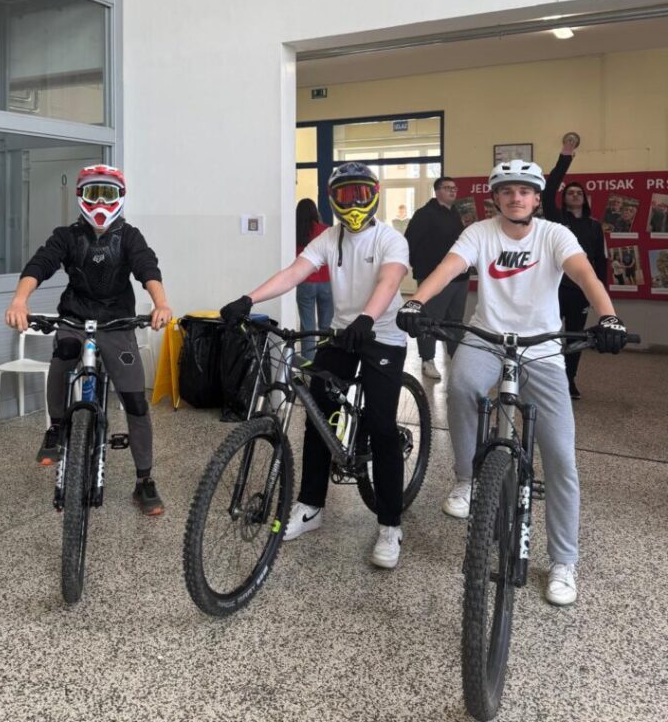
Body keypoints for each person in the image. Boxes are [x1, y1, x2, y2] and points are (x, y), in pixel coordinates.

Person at [397, 159, 628, 606]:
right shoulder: (479, 233)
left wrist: (609, 316)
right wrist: (416, 301)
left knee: (560, 456)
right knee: (461, 386)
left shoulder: (554, 234)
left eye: (524, 191)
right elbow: (449, 267)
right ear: (496, 199)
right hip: (488, 338)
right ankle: (467, 479)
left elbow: (585, 274)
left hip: (541, 348)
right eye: (507, 191)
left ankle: (563, 561)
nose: (516, 197)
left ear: (537, 198)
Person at [220, 162, 409, 569]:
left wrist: (367, 319)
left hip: (383, 335)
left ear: (374, 195)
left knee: (381, 426)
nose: (353, 203)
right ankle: (310, 505)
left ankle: (390, 525)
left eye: (360, 193)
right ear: (332, 200)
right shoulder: (328, 238)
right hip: (342, 334)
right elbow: (293, 273)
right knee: (318, 414)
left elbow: (390, 281)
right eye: (345, 195)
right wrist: (249, 300)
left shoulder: (390, 239)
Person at [5, 164, 172, 516]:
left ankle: (144, 480)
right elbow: (40, 264)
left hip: (117, 324)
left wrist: (161, 304)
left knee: (135, 402)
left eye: (107, 194)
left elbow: (147, 268)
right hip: (75, 319)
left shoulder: (129, 236)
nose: (100, 203)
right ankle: (56, 427)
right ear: (80, 196)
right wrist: (20, 300)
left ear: (120, 197)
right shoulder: (67, 236)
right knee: (64, 352)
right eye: (93, 193)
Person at [542, 140, 607, 399]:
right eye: (570, 192)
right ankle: (545, 378)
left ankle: (569, 380)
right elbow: (548, 193)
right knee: (546, 335)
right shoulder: (557, 220)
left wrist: (599, 294)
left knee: (576, 339)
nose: (575, 195)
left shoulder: (594, 226)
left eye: (579, 192)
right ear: (565, 198)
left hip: (581, 292)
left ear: (585, 199)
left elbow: (600, 261)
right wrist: (565, 158)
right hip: (555, 288)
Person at [403, 177, 467, 380]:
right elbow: (409, 242)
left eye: (454, 188)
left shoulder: (457, 213)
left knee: (455, 321)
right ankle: (427, 360)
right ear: (437, 191)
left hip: (459, 277)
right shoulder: (424, 214)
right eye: (448, 188)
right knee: (429, 319)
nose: (453, 191)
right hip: (433, 276)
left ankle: (456, 359)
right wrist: (420, 268)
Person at [295, 198, 334, 361]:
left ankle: (308, 364)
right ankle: (325, 361)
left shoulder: (295, 232)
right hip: (327, 282)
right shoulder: (327, 230)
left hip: (305, 282)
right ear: (315, 212)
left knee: (307, 327)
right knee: (326, 326)